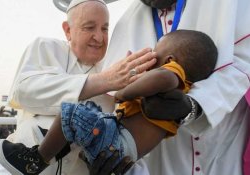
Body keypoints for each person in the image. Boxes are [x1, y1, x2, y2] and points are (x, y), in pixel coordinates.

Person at [0, 29, 218, 175]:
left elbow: (155, 80)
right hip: (119, 145)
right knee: (87, 113)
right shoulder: (174, 83)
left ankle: (35, 160)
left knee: (70, 113)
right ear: (68, 29)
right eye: (89, 27)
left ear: (170, 61)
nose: (151, 56)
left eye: (156, 52)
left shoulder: (170, 74)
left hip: (116, 145)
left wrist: (126, 90)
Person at [0, 0, 157, 175]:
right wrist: (105, 80)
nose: (99, 37)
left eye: (105, 28)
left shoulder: (115, 67)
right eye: (89, 27)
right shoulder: (47, 47)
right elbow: (26, 91)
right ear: (68, 30)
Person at [90, 0, 250, 174]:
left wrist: (193, 106)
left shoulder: (232, 4)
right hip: (163, 162)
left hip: (222, 153)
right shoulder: (125, 24)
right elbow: (114, 103)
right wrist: (112, 153)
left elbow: (243, 65)